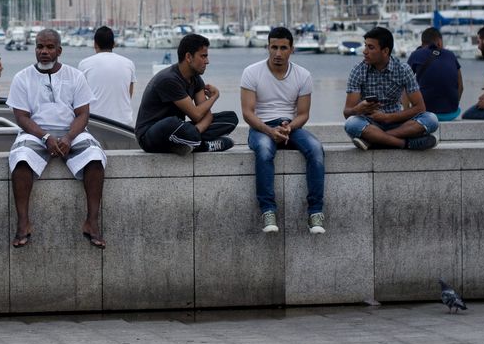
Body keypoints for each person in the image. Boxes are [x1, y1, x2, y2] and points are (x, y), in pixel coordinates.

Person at [7, 28, 107, 248]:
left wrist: (69, 137)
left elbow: (83, 114)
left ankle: (92, 222)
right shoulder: (22, 77)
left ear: (59, 50)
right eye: (40, 47)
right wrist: (45, 137)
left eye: (50, 47)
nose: (44, 51)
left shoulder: (75, 76)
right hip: (35, 133)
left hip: (72, 131)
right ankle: (23, 223)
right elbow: (21, 116)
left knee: (94, 157)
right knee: (21, 158)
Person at [241, 26, 325, 234]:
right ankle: (268, 210)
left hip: (289, 126)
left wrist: (289, 127)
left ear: (292, 50)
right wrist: (270, 132)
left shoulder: (303, 75)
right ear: (268, 48)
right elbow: (248, 114)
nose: (278, 53)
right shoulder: (251, 72)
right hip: (261, 126)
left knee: (315, 148)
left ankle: (315, 212)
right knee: (264, 150)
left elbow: (303, 114)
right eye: (273, 47)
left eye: (283, 48)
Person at [135, 33, 237, 155]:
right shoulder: (169, 79)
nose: (207, 61)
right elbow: (197, 114)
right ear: (188, 57)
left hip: (180, 130)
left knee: (231, 118)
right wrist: (214, 97)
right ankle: (204, 145)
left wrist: (194, 130)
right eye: (203, 56)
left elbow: (205, 115)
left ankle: (188, 141)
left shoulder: (196, 78)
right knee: (171, 123)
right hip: (151, 135)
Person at [343, 26, 439, 150]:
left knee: (431, 119)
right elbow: (347, 113)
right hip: (370, 123)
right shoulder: (358, 70)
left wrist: (387, 117)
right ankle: (405, 144)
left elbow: (420, 108)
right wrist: (358, 109)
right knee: (351, 124)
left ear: (385, 51)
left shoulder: (403, 70)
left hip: (397, 123)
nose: (364, 51)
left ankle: (374, 141)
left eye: (370, 47)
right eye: (365, 45)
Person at [77, 25, 137, 125]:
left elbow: (80, 98)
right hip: (124, 123)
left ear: (95, 44)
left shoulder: (84, 64)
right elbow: (129, 94)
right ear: (113, 44)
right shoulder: (129, 64)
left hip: (95, 121)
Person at [407, 27, 463, 121]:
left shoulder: (416, 54)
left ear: (422, 43)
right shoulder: (451, 55)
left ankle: (406, 112)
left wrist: (406, 109)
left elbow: (404, 84)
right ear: (439, 42)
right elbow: (461, 86)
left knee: (406, 84)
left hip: (425, 113)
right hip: (451, 113)